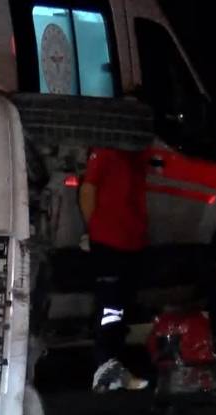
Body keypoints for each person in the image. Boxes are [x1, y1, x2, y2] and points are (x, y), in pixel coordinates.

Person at [79, 146, 151, 393]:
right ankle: (105, 367)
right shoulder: (105, 150)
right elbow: (88, 190)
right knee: (111, 307)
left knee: (121, 307)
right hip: (109, 241)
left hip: (132, 243)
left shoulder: (139, 154)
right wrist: (95, 230)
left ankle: (112, 366)